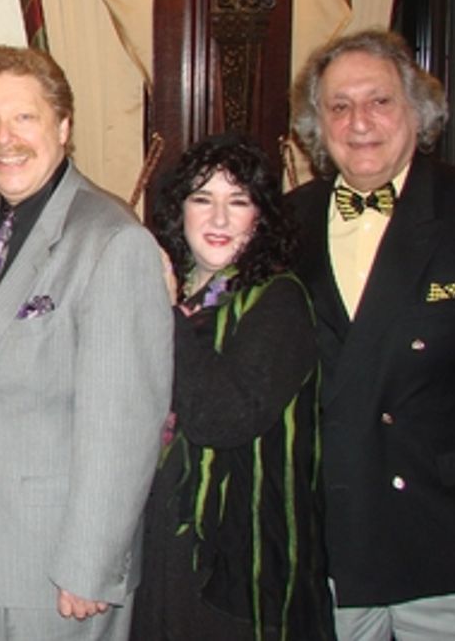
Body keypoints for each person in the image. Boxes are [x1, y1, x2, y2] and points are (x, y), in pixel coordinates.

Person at [0, 45, 173, 640]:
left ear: (63, 127)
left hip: (58, 565)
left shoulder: (114, 241)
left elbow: (124, 426)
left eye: (24, 118)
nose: (2, 138)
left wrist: (91, 562)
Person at [288, 27, 455, 640]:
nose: (360, 123)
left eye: (379, 102)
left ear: (417, 110)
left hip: (451, 545)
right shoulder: (288, 220)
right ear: (317, 126)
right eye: (339, 107)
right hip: (331, 546)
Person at [131, 134, 334, 640]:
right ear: (179, 211)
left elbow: (223, 418)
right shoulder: (177, 294)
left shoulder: (277, 302)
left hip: (238, 565)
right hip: (159, 547)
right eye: (203, 198)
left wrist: (167, 315)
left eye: (237, 201)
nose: (219, 219)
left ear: (260, 216)